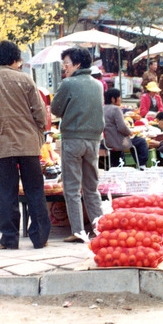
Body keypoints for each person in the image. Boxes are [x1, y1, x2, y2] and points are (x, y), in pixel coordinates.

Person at [0, 41, 50, 250]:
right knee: (34, 190)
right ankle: (40, 237)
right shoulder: (26, 80)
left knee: (7, 192)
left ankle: (9, 238)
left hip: (2, 143)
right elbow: (40, 113)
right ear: (14, 58)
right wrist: (37, 135)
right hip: (28, 143)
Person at [51, 47, 104, 243]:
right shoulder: (98, 85)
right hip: (93, 141)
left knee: (72, 188)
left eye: (66, 63)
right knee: (92, 187)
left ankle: (78, 231)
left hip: (72, 139)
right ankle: (100, 228)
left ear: (77, 64)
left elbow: (56, 109)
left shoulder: (68, 84)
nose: (64, 67)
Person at [103, 88, 149, 169]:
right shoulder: (116, 109)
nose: (120, 99)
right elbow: (121, 127)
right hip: (117, 141)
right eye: (119, 97)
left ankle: (120, 166)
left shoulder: (102, 108)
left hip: (106, 141)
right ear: (113, 99)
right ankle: (142, 165)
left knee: (132, 142)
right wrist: (130, 132)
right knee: (141, 142)